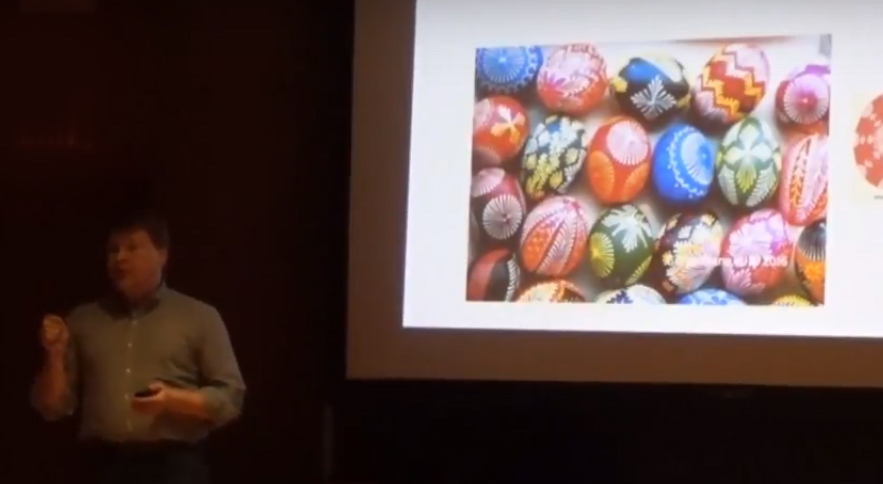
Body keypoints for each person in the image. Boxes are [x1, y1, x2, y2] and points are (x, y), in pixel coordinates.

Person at [30, 210, 246, 484]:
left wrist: (172, 399)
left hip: (174, 466)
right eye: (113, 250)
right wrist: (55, 353)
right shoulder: (84, 320)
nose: (120, 258)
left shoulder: (199, 317)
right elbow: (52, 408)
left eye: (132, 248)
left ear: (162, 255)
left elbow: (230, 397)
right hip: (104, 465)